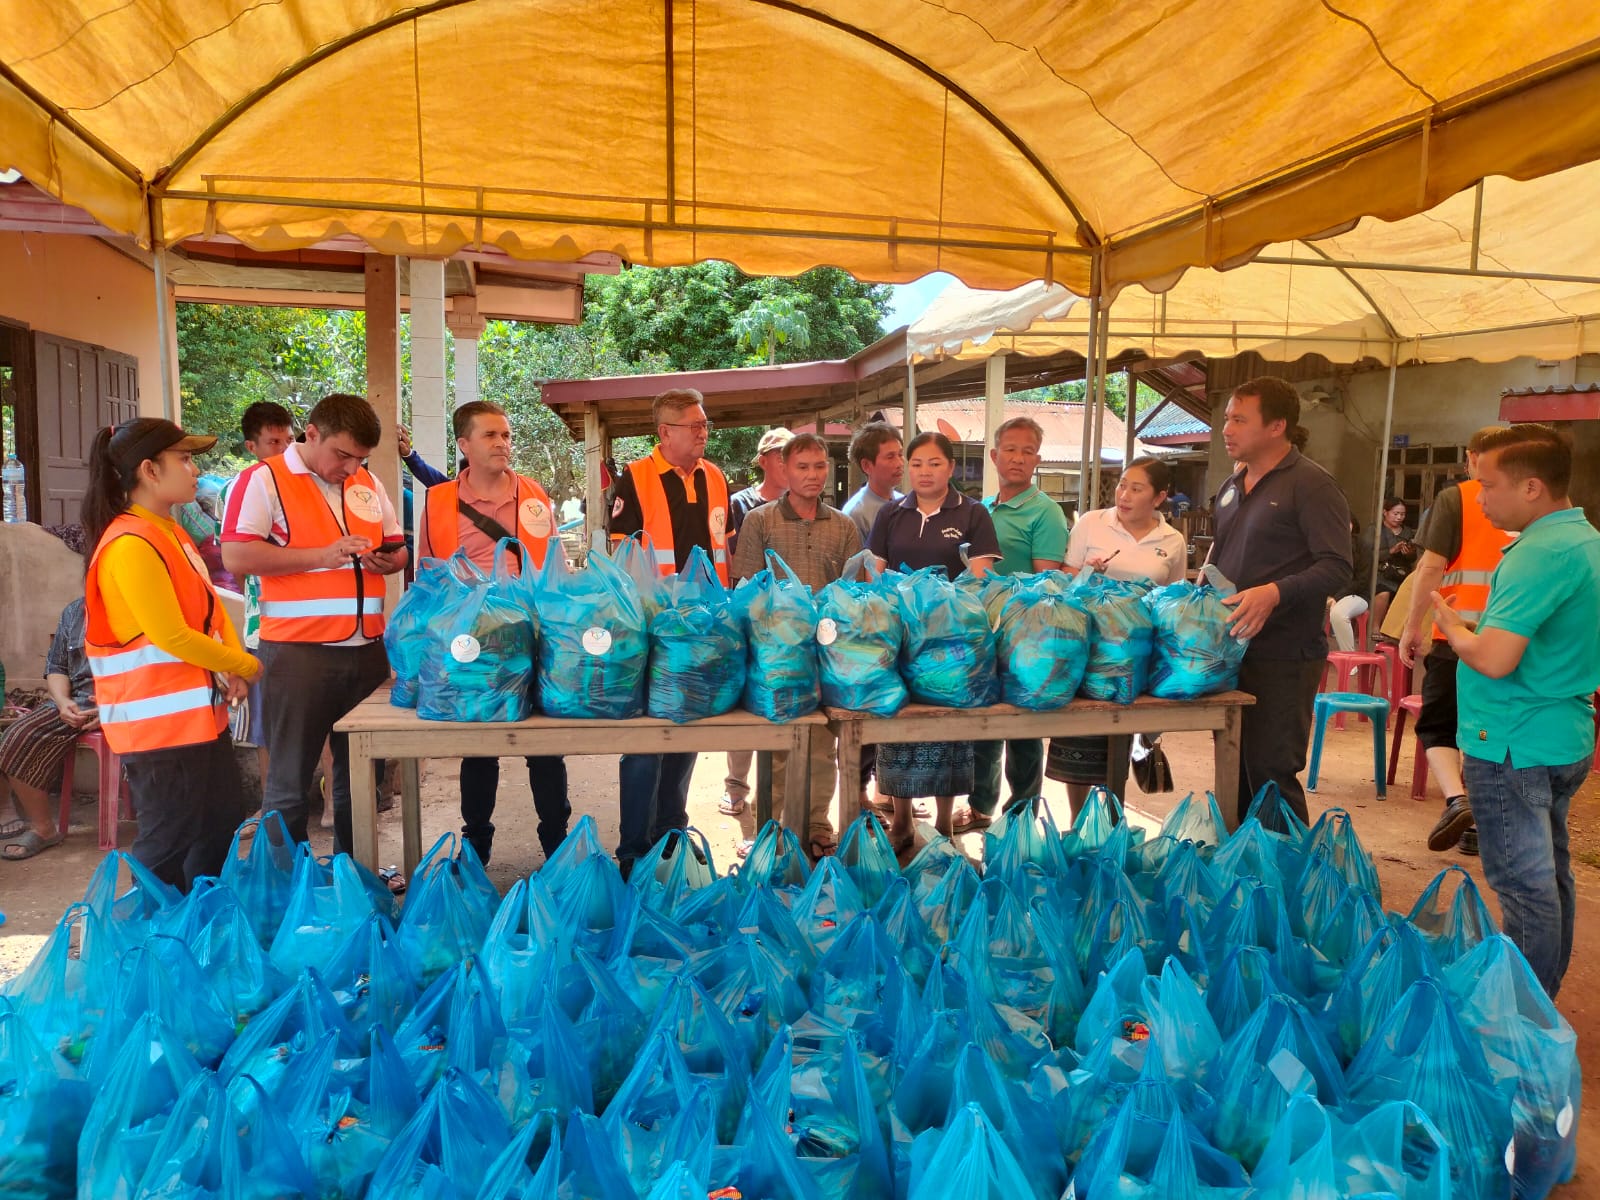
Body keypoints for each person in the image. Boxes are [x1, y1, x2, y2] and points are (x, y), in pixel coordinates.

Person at [1430, 424, 1600, 998]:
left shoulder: (1539, 554)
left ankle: (1519, 1013)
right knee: (1549, 875)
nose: (1479, 499)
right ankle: (1538, 998)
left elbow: (1496, 660)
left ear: (1532, 487)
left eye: (1488, 485)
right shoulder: (1583, 541)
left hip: (1511, 739)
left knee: (1524, 886)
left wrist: (1454, 629)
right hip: (1560, 732)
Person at [221, 393, 408, 856]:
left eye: (360, 458)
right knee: (289, 783)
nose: (351, 467)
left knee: (360, 780)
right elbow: (237, 555)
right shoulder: (263, 480)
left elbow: (398, 547)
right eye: (342, 455)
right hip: (297, 655)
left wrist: (390, 561)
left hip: (366, 651)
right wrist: (322, 556)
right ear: (312, 434)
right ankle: (288, 886)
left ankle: (355, 876)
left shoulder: (367, 482)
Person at [80, 418, 260, 890]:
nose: (195, 469)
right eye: (184, 459)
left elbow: (211, 612)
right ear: (149, 470)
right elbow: (172, 636)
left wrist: (232, 663)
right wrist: (245, 664)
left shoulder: (169, 532)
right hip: (158, 730)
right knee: (169, 841)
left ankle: (194, 922)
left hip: (197, 720)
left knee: (219, 820)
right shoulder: (129, 543)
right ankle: (149, 931)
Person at [415, 400, 570, 865]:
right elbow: (428, 574)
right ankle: (476, 848)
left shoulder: (533, 494)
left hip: (530, 635)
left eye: (506, 435)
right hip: (473, 644)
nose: (502, 443)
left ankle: (556, 846)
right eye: (490, 435)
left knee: (545, 746)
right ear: (464, 444)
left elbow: (556, 566)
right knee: (478, 748)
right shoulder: (438, 500)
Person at [1210, 376, 1353, 825]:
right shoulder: (1231, 486)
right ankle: (1242, 864)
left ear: (1276, 427)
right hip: (1231, 650)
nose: (1226, 429)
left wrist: (1275, 593)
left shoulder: (1312, 485)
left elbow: (1337, 566)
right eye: (1227, 418)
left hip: (1285, 656)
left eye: (1239, 420)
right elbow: (1221, 558)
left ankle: (1286, 866)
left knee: (1270, 773)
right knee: (1234, 770)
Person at [607, 387, 730, 878]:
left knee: (687, 728)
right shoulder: (634, 477)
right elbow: (623, 555)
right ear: (665, 432)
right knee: (645, 738)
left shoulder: (715, 476)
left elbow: (722, 549)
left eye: (705, 425)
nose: (703, 433)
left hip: (702, 629)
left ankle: (672, 836)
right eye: (694, 425)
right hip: (652, 626)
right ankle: (633, 851)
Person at [868, 431, 1002, 852]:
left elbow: (981, 578)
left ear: (951, 467)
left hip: (952, 641)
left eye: (935, 463)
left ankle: (944, 825)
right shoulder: (891, 513)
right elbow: (875, 575)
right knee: (898, 728)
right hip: (901, 636)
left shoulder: (973, 513)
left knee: (949, 732)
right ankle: (902, 821)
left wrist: (938, 605)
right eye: (917, 463)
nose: (924, 471)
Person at [730, 433, 862, 858]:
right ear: (784, 470)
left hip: (827, 654)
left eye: (819, 466)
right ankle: (771, 826)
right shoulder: (760, 521)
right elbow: (745, 588)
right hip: (775, 657)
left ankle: (817, 824)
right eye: (802, 467)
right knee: (776, 745)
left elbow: (853, 594)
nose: (812, 475)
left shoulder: (843, 525)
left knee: (823, 745)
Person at [1046, 455, 1187, 817]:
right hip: (1088, 649)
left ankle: (1111, 822)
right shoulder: (1092, 523)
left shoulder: (1172, 540)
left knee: (1119, 742)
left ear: (1159, 497)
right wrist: (1087, 574)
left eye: (1136, 489)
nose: (1124, 495)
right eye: (1123, 485)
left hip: (1138, 655)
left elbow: (1172, 599)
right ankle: (1078, 822)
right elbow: (1065, 581)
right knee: (1080, 737)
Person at [1399, 428, 1515, 856]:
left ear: (1470, 457)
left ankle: (1456, 800)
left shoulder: (1457, 499)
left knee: (1439, 724)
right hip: (1511, 639)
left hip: (1456, 632)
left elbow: (1430, 567)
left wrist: (1412, 625)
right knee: (1488, 727)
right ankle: (1481, 822)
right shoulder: (1531, 501)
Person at [953, 417, 1069, 833]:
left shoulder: (1046, 512)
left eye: (1028, 451)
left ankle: (1021, 814)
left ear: (1037, 459)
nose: (1018, 458)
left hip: (1026, 635)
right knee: (984, 723)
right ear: (994, 456)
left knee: (1024, 727)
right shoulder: (981, 508)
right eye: (1011, 449)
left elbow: (1046, 582)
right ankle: (981, 806)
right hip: (981, 632)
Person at [221, 401, 296, 783]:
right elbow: (238, 561)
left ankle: (332, 806)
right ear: (251, 447)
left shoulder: (311, 485)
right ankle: (271, 805)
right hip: (262, 628)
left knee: (324, 723)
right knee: (267, 729)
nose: (284, 450)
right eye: (273, 443)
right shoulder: (238, 489)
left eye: (289, 441)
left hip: (312, 628)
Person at [719, 427, 792, 819]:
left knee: (780, 701)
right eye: (779, 454)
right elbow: (733, 559)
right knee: (745, 700)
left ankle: (777, 797)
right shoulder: (741, 503)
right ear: (763, 460)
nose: (786, 461)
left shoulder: (802, 503)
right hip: (749, 615)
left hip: (790, 622)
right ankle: (736, 785)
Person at [0, 598, 96, 860]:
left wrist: (115, 707)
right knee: (16, 737)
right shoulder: (75, 612)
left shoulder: (140, 607)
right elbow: (56, 668)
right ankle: (44, 829)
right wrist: (63, 701)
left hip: (130, 703)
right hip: (76, 701)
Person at [1360, 495, 1417, 633]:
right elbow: (1366, 554)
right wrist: (1391, 551)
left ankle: (1397, 630)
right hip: (1379, 572)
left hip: (1400, 573)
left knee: (1411, 591)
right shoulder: (1375, 530)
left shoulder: (1407, 532)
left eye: (1402, 514)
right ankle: (1375, 627)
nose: (1399, 517)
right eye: (1395, 514)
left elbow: (1412, 558)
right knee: (1384, 591)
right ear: (1385, 512)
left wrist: (1408, 553)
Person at [842, 422, 905, 544]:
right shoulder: (856, 514)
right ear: (866, 466)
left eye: (900, 454)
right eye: (890, 457)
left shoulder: (904, 502)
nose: (900, 463)